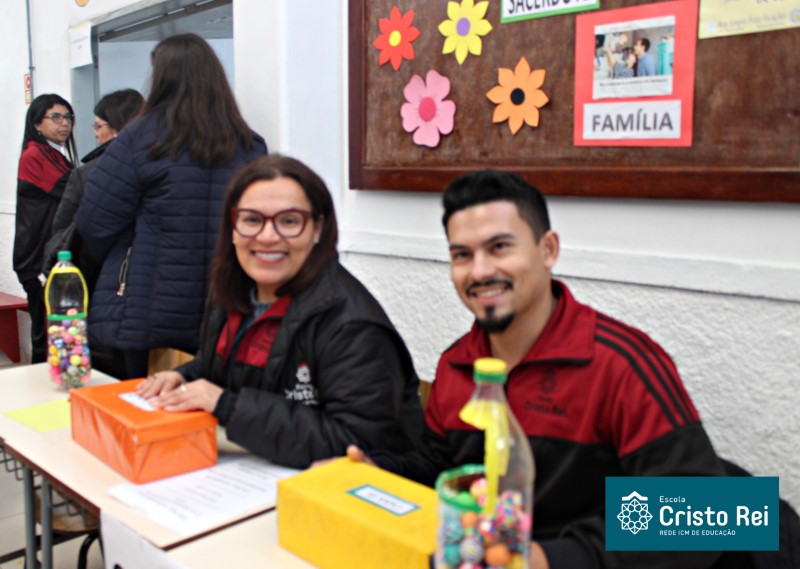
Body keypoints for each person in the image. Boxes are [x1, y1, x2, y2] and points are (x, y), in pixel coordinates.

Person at [344, 170, 731, 569]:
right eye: (462, 255)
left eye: (499, 247)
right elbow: (440, 468)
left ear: (548, 250)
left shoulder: (622, 364)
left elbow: (703, 513)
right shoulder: (456, 363)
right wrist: (379, 473)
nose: (479, 271)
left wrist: (550, 558)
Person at [137, 155, 424, 468]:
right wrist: (183, 378)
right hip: (246, 470)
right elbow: (227, 371)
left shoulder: (353, 326)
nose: (268, 236)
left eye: (289, 221)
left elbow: (356, 444)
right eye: (251, 220)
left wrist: (225, 405)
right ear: (232, 228)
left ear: (318, 228)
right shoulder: (232, 290)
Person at [75, 34, 268, 378]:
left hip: (148, 299)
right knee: (210, 399)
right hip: (224, 296)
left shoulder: (139, 138)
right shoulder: (249, 144)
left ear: (161, 77)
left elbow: (94, 222)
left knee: (144, 399)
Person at [42, 89, 144, 289]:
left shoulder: (89, 173)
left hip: (102, 277)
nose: (94, 132)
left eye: (98, 125)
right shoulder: (165, 163)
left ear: (117, 126)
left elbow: (63, 233)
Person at [13, 93, 78, 363]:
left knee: (57, 333)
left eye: (68, 117)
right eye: (56, 117)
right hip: (37, 259)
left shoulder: (52, 153)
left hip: (46, 256)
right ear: (37, 123)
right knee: (47, 335)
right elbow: (73, 189)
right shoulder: (35, 154)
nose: (64, 123)